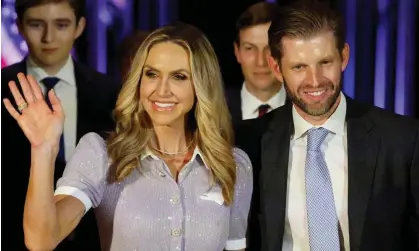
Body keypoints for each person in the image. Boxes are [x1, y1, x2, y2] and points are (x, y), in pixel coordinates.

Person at [4, 22, 253, 251]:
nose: (161, 90)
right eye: (152, 74)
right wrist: (43, 149)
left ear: (201, 85)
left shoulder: (232, 165)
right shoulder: (102, 155)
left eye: (179, 76)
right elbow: (41, 240)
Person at [234, 1, 419, 251]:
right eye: (299, 67)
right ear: (277, 68)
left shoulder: (402, 139)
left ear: (343, 56)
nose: (315, 81)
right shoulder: (249, 143)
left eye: (325, 62)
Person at [1, 0, 119, 250]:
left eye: (62, 25)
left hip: (92, 241)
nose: (48, 37)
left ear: (80, 27)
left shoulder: (111, 93)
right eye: (36, 24)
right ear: (19, 27)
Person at [226, 2, 286, 124]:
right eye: (250, 48)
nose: (261, 62)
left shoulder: (305, 108)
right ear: (237, 52)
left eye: (269, 48)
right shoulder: (213, 111)